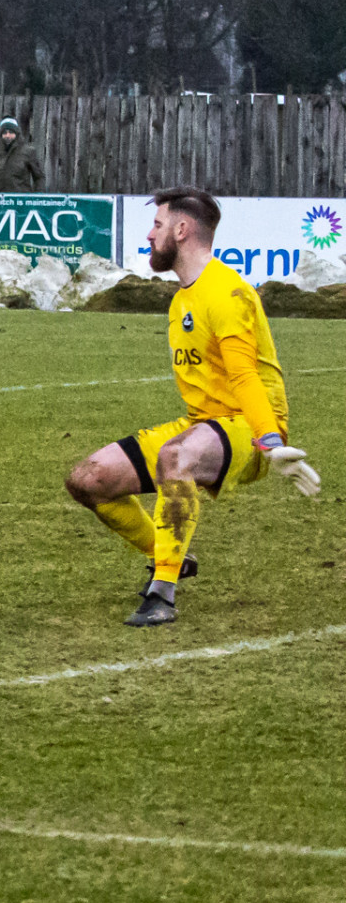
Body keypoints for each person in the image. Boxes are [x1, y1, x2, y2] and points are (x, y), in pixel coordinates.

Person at [64, 187, 320, 627]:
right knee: (88, 479)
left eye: (157, 225)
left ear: (181, 231)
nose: (149, 234)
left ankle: (162, 593)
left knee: (174, 457)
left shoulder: (228, 293)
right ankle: (172, 557)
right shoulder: (183, 296)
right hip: (204, 423)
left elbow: (244, 377)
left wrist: (271, 440)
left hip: (249, 427)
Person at [0, 117, 43, 191]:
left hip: (20, 199)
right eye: (5, 133)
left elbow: (39, 177)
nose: (8, 136)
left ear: (16, 134)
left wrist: (37, 197)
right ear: (1, 135)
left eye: (11, 132)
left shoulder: (28, 152)